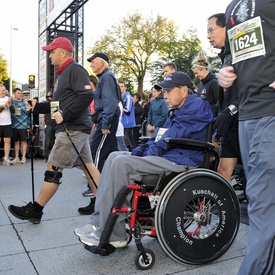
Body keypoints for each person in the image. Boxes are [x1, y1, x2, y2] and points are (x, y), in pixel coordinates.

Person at [74, 71, 214, 248]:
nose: (165, 96)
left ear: (184, 90)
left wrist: (147, 152)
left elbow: (172, 136)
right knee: (113, 156)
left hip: (183, 161)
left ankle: (115, 234)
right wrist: (141, 150)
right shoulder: (180, 109)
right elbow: (161, 136)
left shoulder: (196, 107)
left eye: (169, 91)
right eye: (164, 92)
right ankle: (98, 221)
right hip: (172, 155)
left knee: (121, 163)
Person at [8, 37, 100, 223]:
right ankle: (103, 203)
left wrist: (65, 114)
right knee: (87, 166)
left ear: (63, 52)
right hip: (74, 127)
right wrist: (37, 106)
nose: (50, 55)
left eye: (52, 51)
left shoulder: (74, 69)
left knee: (53, 169)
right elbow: (56, 105)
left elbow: (87, 94)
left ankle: (36, 210)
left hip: (72, 129)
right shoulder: (63, 74)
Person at [218, 1, 275, 273]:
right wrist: (225, 69)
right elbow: (232, 53)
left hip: (271, 110)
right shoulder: (233, 6)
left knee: (262, 203)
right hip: (247, 113)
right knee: (261, 202)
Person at [78, 52, 120, 215]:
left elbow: (110, 102)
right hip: (105, 120)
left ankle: (96, 198)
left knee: (95, 155)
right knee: (108, 157)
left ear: (102, 63)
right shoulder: (106, 77)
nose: (91, 65)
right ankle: (105, 198)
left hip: (106, 122)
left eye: (93, 62)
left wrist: (105, 122)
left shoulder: (107, 77)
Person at [206, 13, 241, 184]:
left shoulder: (242, 53)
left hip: (248, 121)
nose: (208, 35)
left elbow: (250, 89)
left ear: (226, 28)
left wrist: (231, 110)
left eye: (212, 30)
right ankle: (223, 209)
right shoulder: (225, 56)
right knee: (222, 170)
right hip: (231, 126)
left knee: (254, 173)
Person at [191, 50, 220, 116]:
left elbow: (220, 102)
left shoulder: (214, 83)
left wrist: (208, 113)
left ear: (203, 69)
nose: (196, 76)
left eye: (196, 73)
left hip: (211, 118)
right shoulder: (201, 84)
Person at [10, 88, 30, 164]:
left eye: (20, 93)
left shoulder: (25, 102)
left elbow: (29, 114)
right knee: (16, 142)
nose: (19, 94)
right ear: (14, 94)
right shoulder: (12, 103)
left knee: (24, 141)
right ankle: (16, 157)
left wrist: (28, 125)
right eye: (18, 93)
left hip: (24, 125)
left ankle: (23, 157)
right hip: (15, 125)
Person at [119, 81, 136, 151]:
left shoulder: (128, 97)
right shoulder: (120, 97)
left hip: (127, 123)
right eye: (119, 86)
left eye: (122, 86)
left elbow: (127, 110)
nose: (120, 88)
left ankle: (135, 155)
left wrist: (119, 110)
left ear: (125, 88)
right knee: (124, 142)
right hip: (122, 123)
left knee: (130, 141)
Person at [0, 84, 14, 165]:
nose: (4, 92)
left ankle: (6, 157)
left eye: (4, 90)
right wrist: (5, 104)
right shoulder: (5, 100)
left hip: (7, 123)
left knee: (7, 141)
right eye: (2, 90)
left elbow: (13, 111)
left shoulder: (8, 99)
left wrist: (10, 104)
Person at [44, 91, 56, 162]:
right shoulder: (48, 103)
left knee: (55, 141)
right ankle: (47, 157)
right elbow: (47, 101)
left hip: (57, 123)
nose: (50, 98)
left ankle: (54, 157)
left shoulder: (58, 101)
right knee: (48, 142)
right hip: (49, 123)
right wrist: (48, 96)